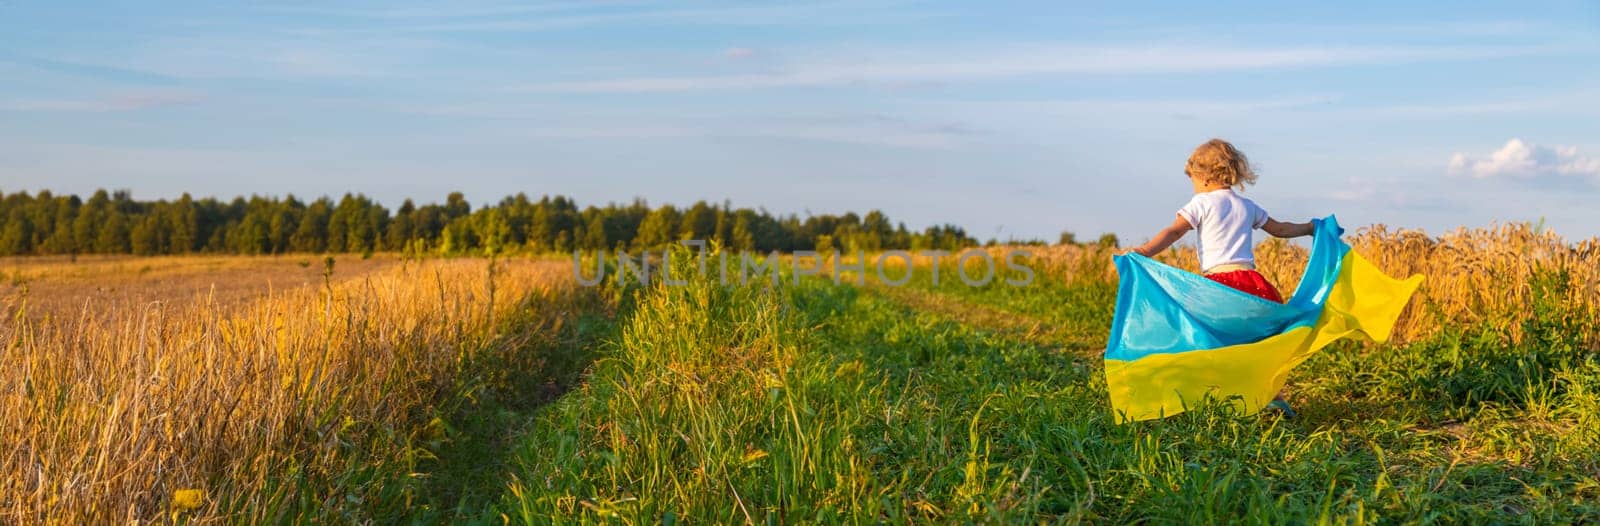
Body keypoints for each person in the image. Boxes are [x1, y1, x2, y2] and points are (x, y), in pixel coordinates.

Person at [1125, 138, 1315, 417]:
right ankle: (1275, 397)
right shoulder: (1247, 205)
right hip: (1254, 288)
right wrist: (1310, 228)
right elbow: (1281, 230)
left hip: (1219, 290)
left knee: (1204, 342)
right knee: (1256, 346)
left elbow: (1175, 232)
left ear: (1202, 177)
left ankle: (1208, 397)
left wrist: (1143, 251)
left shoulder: (1200, 203)